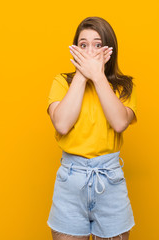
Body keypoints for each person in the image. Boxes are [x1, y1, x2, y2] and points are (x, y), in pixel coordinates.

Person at [46, 16, 137, 240]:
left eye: (97, 44)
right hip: (70, 180)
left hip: (110, 181)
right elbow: (62, 124)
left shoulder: (124, 87)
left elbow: (119, 123)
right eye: (83, 45)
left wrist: (97, 76)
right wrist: (81, 74)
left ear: (110, 49)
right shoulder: (61, 82)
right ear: (75, 50)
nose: (89, 51)